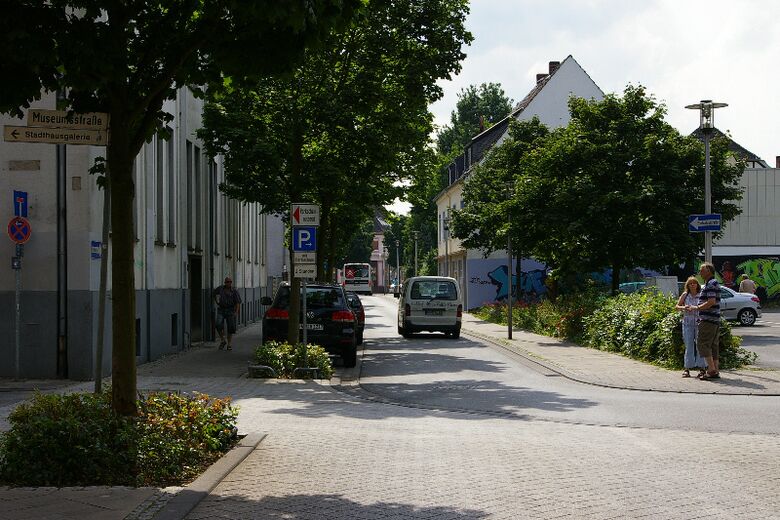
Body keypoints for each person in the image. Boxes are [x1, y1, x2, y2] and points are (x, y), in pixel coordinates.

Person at [686, 263, 721, 380]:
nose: (700, 273)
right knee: (713, 345)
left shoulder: (710, 284)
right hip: (714, 319)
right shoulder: (714, 283)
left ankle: (711, 370)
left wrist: (696, 307)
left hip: (708, 319)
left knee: (702, 343)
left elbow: (711, 301)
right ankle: (715, 370)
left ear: (709, 271)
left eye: (702, 270)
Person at [675, 277, 706, 378]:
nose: (692, 285)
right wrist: (684, 307)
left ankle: (702, 368)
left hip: (699, 322)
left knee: (700, 345)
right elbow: (677, 306)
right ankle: (687, 368)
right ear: (687, 285)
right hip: (687, 323)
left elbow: (706, 306)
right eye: (690, 283)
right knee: (688, 345)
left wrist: (697, 308)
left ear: (697, 285)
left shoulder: (701, 295)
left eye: (694, 283)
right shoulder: (685, 295)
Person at [213, 277, 241, 350]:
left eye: (230, 282)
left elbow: (238, 302)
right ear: (225, 283)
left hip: (230, 310)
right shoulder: (220, 289)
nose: (229, 283)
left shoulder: (234, 291)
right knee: (218, 324)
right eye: (227, 282)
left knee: (230, 328)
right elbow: (214, 293)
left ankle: (229, 344)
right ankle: (223, 340)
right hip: (221, 309)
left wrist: (236, 312)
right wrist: (217, 301)